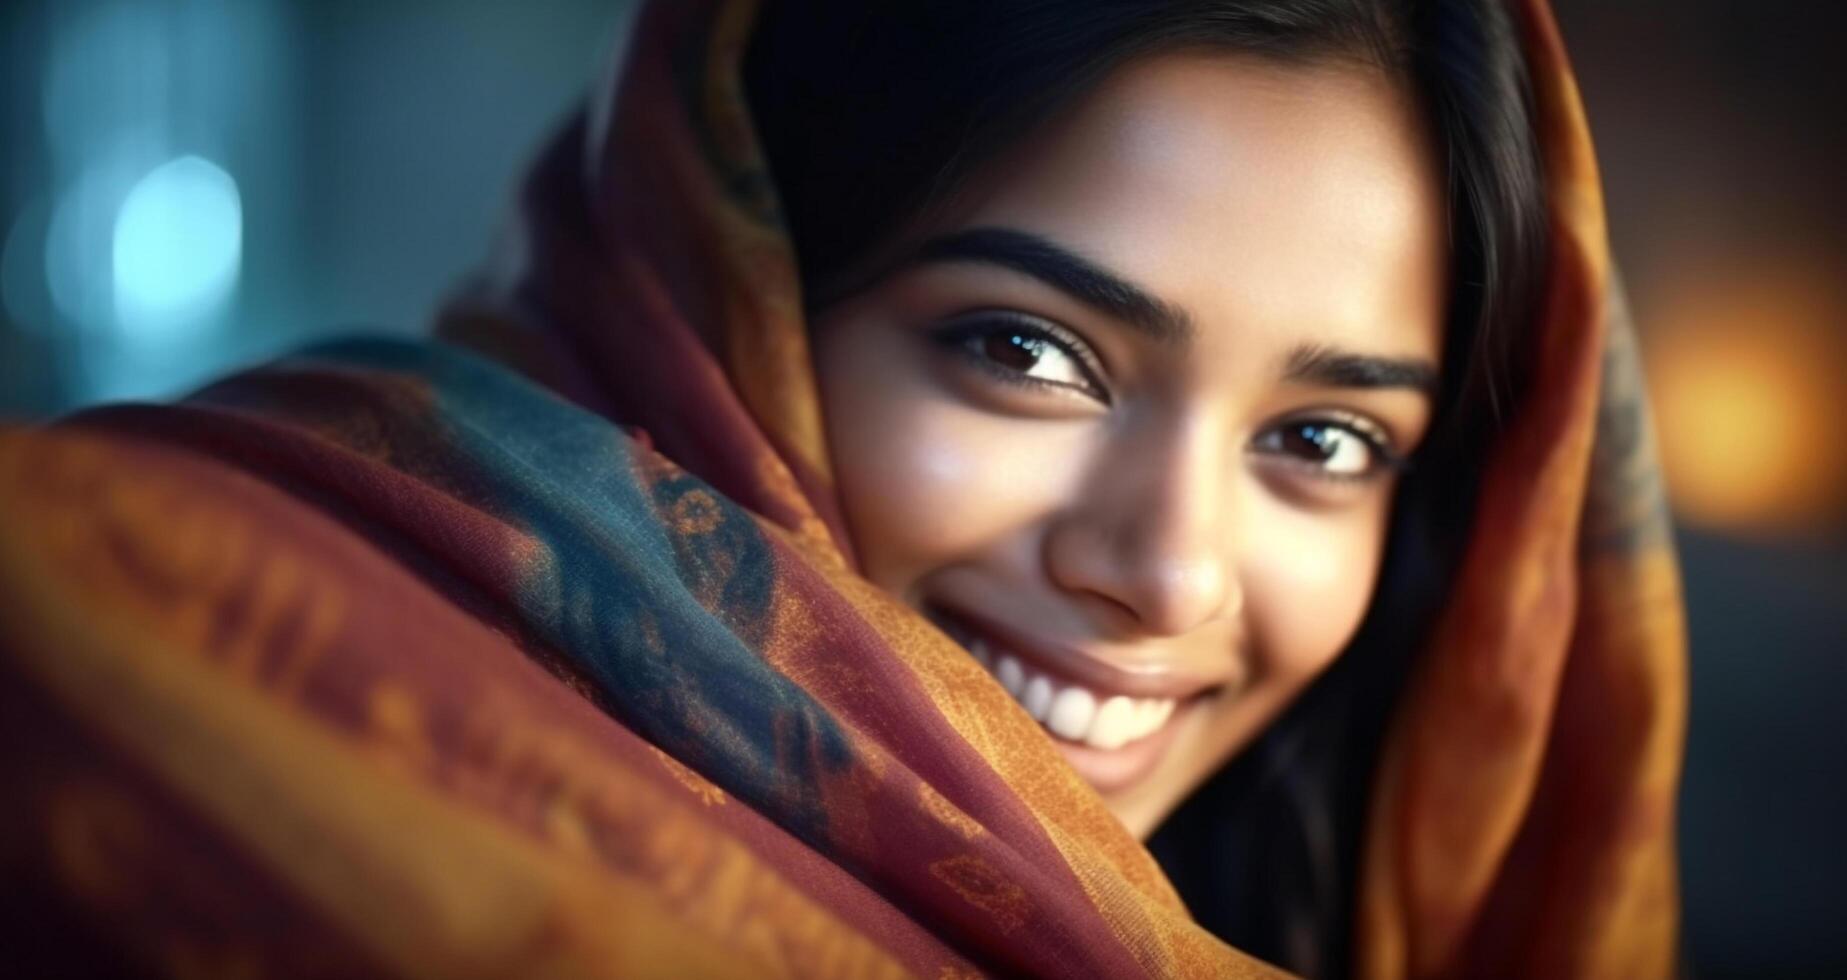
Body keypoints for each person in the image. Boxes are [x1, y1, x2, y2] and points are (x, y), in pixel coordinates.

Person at [0, 0, 1686, 976]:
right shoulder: (122, 646)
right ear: (720, 282)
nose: (1170, 576)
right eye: (1027, 351)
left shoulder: (1287, 899)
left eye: (1322, 441)